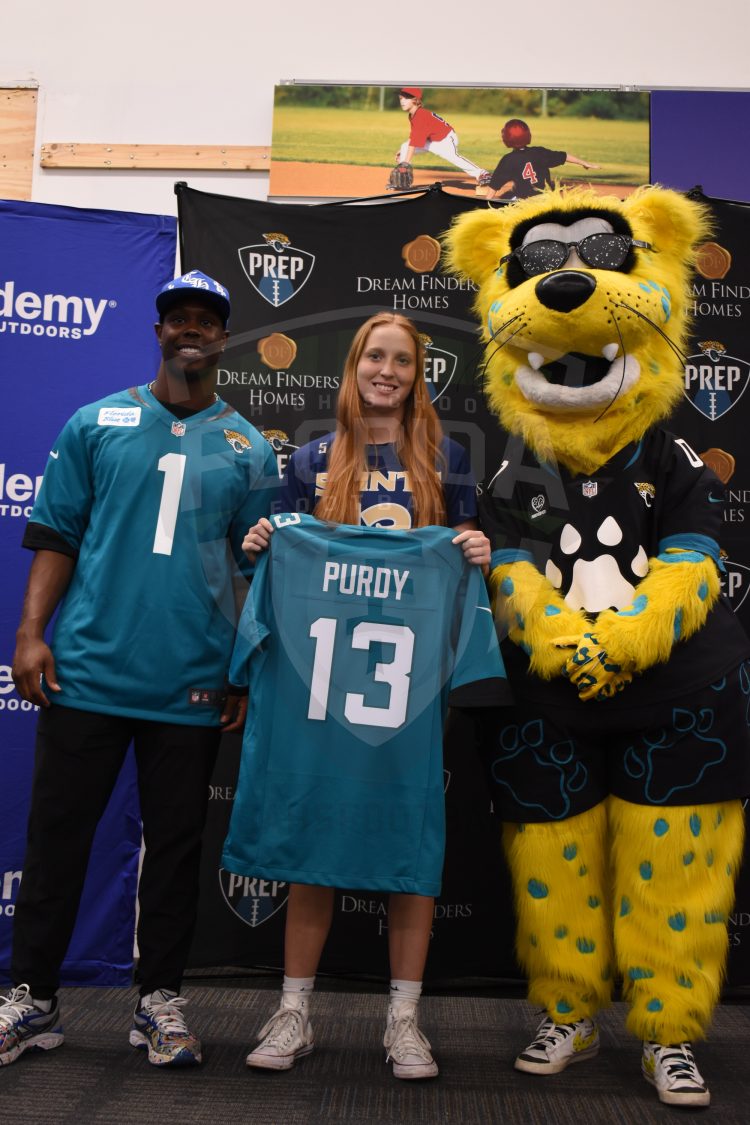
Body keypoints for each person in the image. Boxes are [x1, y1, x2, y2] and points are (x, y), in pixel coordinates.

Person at [0, 270, 278, 1069]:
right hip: (87, 670)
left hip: (189, 683)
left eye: (206, 321)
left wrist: (240, 669)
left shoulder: (249, 448)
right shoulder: (97, 423)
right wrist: (29, 631)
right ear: (158, 331)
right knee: (57, 842)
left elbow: (251, 572)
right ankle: (35, 999)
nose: (191, 331)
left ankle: (159, 1000)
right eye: (177, 319)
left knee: (177, 849)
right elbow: (55, 534)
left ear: (223, 338)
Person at [226, 312, 507, 1080]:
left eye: (403, 361)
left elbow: (464, 567)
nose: (387, 370)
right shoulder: (313, 458)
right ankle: (294, 1009)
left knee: (411, 845)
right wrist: (261, 544)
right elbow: (279, 571)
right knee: (314, 841)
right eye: (375, 357)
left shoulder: (445, 459)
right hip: (322, 685)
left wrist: (476, 543)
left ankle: (404, 1019)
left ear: (419, 376)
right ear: (353, 367)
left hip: (407, 688)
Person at [484, 118, 599, 200]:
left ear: (506, 138)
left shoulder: (508, 160)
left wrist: (484, 204)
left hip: (526, 203)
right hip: (548, 200)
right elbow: (564, 156)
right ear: (528, 135)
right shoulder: (539, 152)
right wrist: (584, 163)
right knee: (510, 194)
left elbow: (494, 187)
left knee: (507, 197)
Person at [396, 87, 490, 187]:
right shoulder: (413, 115)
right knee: (405, 147)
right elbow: (414, 136)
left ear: (415, 100)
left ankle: (482, 174)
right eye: (401, 98)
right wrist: (403, 152)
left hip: (445, 139)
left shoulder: (420, 116)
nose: (402, 101)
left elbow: (415, 142)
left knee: (453, 157)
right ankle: (403, 180)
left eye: (406, 98)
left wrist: (405, 162)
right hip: (432, 140)